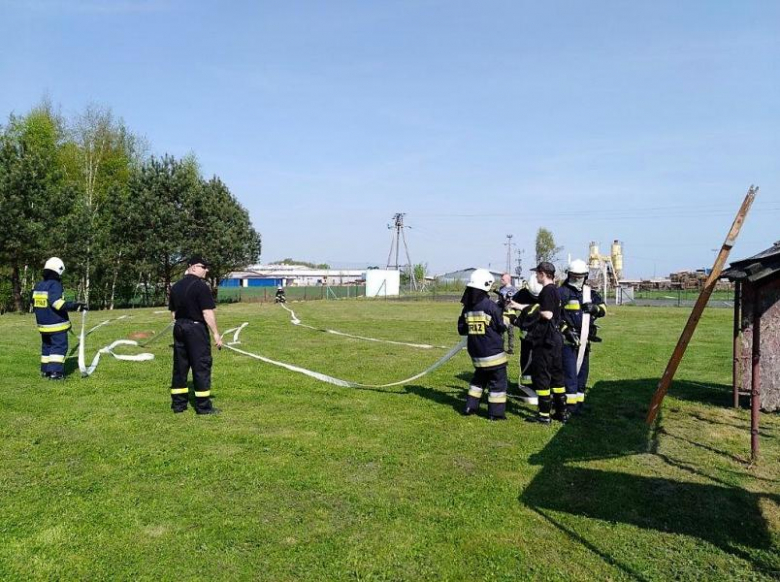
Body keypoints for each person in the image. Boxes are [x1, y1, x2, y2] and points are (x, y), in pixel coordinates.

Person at [168, 256, 223, 415]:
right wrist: (216, 334)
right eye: (203, 266)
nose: (206, 270)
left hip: (179, 327)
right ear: (192, 267)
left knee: (180, 366)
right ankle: (203, 407)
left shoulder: (176, 286)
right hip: (196, 329)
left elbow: (173, 312)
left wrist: (180, 325)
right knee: (201, 365)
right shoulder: (201, 286)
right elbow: (207, 313)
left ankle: (178, 405)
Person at [558, 259, 607, 415]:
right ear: (569, 275)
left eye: (580, 276)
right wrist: (566, 330)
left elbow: (604, 309)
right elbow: (554, 317)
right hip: (567, 340)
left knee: (582, 373)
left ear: (585, 276)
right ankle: (568, 407)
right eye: (574, 276)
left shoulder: (589, 293)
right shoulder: (562, 293)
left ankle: (579, 404)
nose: (577, 279)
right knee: (570, 374)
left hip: (585, 339)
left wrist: (595, 308)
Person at [458, 268, 508, 420]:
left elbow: (462, 329)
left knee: (478, 380)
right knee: (498, 384)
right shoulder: (490, 306)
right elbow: (502, 326)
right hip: (493, 354)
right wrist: (507, 314)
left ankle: (470, 406)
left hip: (477, 354)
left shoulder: (467, 307)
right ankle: (496, 413)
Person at [523, 262, 567, 424]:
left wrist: (532, 311)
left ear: (542, 273)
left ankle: (543, 416)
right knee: (557, 376)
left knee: (542, 376)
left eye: (537, 273)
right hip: (555, 338)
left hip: (545, 340)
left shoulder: (547, 291)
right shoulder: (555, 290)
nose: (535, 276)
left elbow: (547, 314)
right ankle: (561, 412)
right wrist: (523, 306)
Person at [32, 257, 88, 380]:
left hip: (43, 326)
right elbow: (57, 303)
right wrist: (75, 304)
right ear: (58, 270)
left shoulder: (39, 285)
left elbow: (34, 302)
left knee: (47, 346)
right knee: (59, 347)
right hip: (56, 325)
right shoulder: (55, 285)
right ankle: (55, 373)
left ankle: (46, 370)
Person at [510, 276, 543, 388]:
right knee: (526, 359)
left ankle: (542, 384)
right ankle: (527, 386)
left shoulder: (547, 293)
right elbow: (510, 307)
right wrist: (513, 318)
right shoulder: (522, 294)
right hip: (527, 334)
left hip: (543, 333)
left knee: (543, 360)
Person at [496, 273, 518, 354]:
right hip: (502, 312)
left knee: (510, 332)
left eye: (503, 279)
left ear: (508, 279)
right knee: (501, 331)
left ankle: (510, 348)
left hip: (510, 313)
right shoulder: (501, 288)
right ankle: (501, 348)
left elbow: (516, 301)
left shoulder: (514, 290)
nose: (501, 281)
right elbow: (499, 299)